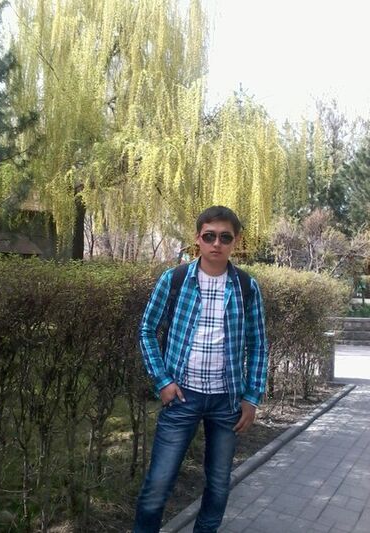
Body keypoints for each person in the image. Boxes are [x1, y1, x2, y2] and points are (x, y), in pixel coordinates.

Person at [134, 206, 268, 533]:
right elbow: (147, 330)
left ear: (236, 241)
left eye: (225, 237)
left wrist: (252, 398)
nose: (216, 243)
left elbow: (258, 344)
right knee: (158, 485)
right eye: (209, 236)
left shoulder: (246, 287)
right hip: (182, 396)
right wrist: (163, 380)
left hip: (227, 402)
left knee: (219, 485)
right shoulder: (175, 279)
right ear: (198, 238)